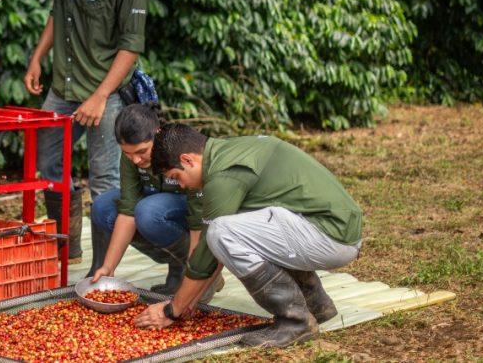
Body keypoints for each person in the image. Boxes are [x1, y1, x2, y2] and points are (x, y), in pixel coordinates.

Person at [134, 125, 364, 349]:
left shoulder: (224, 175)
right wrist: (190, 301)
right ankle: (316, 304)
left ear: (187, 160)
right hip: (332, 229)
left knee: (220, 231)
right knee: (239, 227)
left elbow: (208, 251)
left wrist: (172, 310)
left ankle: (296, 322)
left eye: (177, 177)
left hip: (331, 237)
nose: (181, 186)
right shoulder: (231, 150)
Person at [23, 0, 150, 268]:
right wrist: (37, 57)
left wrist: (101, 95)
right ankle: (68, 247)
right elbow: (58, 11)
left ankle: (102, 268)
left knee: (105, 179)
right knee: (48, 166)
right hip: (63, 86)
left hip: (104, 92)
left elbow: (132, 45)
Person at [89, 104, 224, 296]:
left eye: (142, 152)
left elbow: (197, 220)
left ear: (157, 134)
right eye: (128, 153)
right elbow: (127, 210)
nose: (135, 160)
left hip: (194, 212)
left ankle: (199, 271)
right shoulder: (132, 158)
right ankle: (177, 265)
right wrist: (108, 267)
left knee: (148, 211)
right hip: (155, 208)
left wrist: (198, 273)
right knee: (103, 207)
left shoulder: (181, 150)